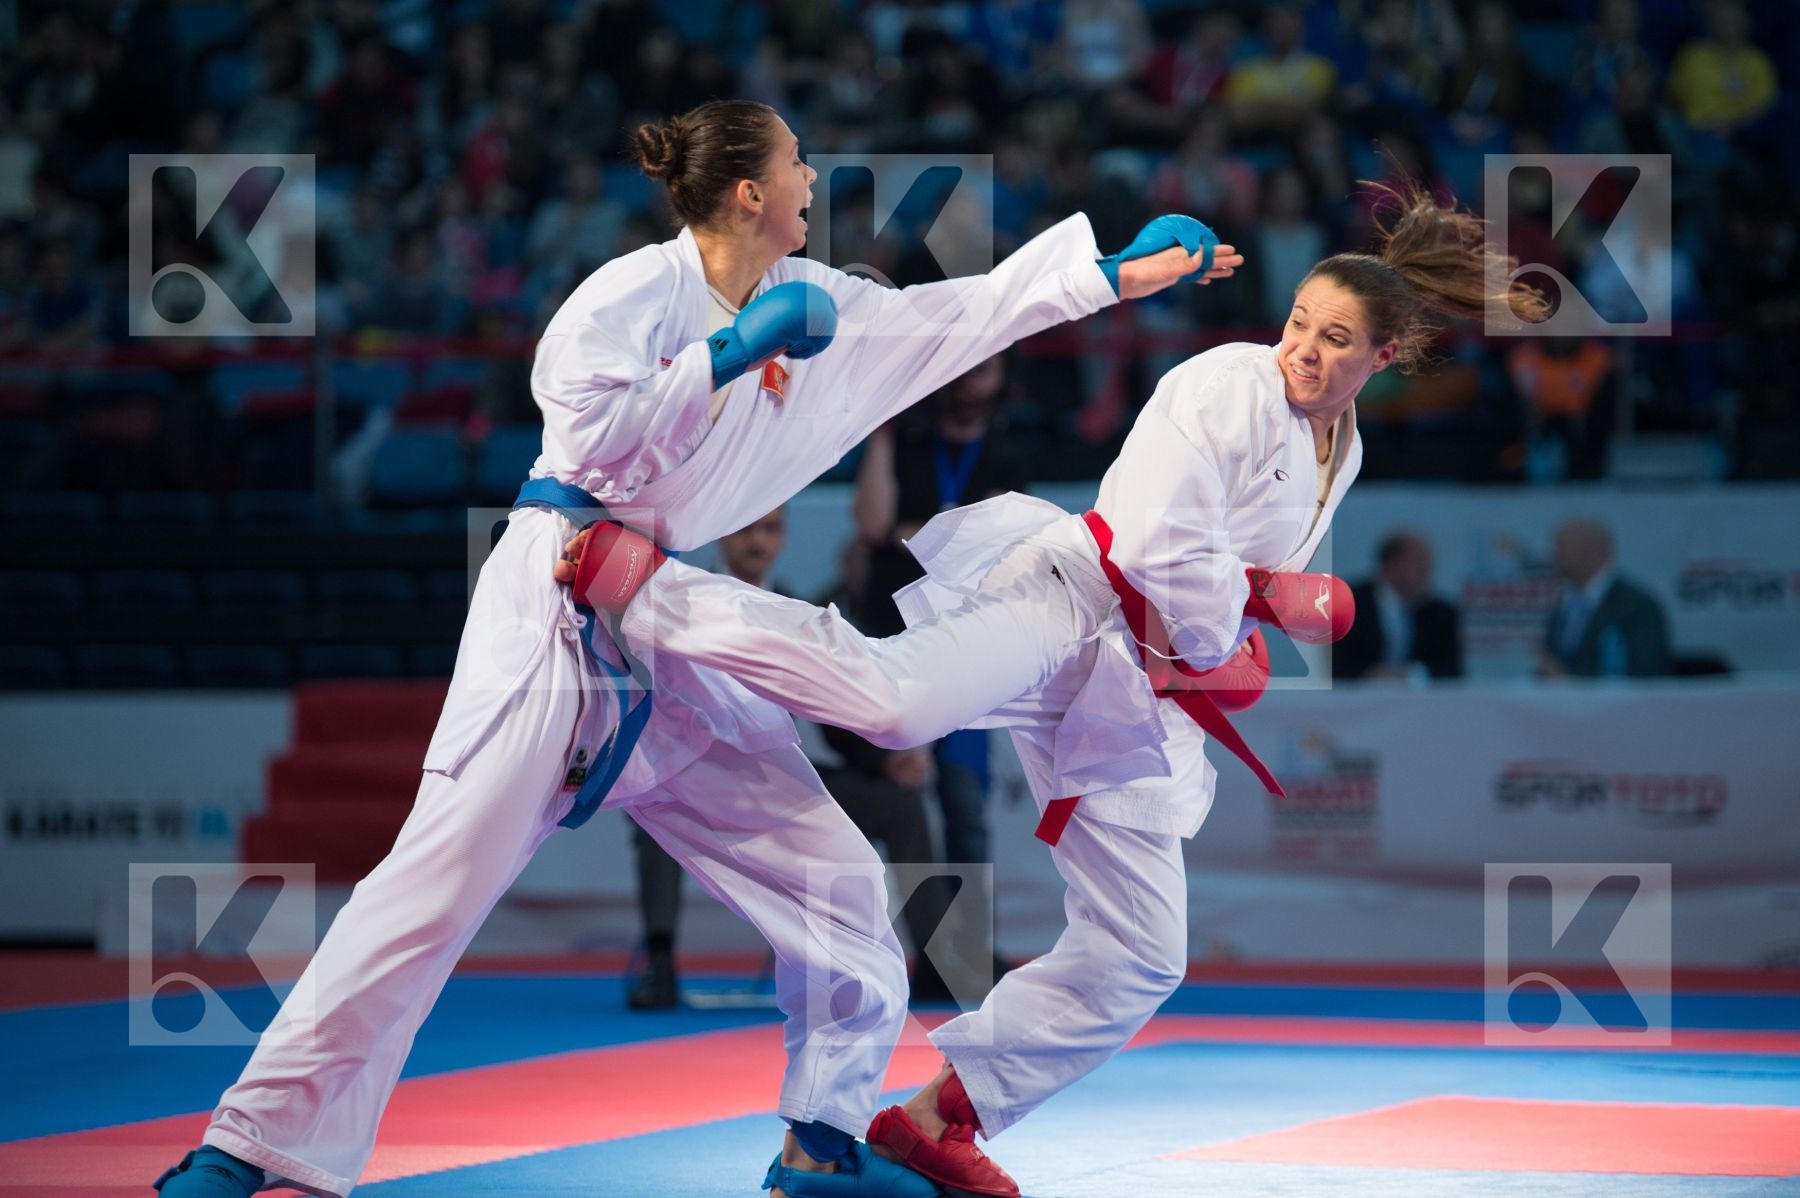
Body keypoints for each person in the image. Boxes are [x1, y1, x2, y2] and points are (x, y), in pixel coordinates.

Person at [152, 98, 1237, 1198]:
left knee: (839, 885)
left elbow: (956, 316)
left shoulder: (816, 301)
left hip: (665, 609)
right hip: (560, 591)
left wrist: (1110, 276)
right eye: (798, 162)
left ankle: (820, 1143)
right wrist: (721, 357)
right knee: (429, 891)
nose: (814, 178)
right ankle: (244, 1147)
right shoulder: (631, 293)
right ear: (750, 191)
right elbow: (585, 435)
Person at [558, 180, 1548, 1197]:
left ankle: (938, 1119)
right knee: (897, 703)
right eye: (1299, 321)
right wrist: (1257, 603)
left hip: (1138, 686)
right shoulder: (1229, 385)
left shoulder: (1345, 449)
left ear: (1384, 358)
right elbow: (1161, 548)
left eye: (1335, 340)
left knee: (1143, 951)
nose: (1302, 349)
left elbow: (1223, 599)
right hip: (1075, 601)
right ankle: (652, 590)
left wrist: (1233, 645)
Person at [625, 507, 792, 1011]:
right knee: (656, 803)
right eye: (746, 528)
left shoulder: (797, 608)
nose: (757, 541)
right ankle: (659, 960)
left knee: (893, 799)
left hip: (778, 773)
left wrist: (887, 758)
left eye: (769, 529)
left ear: (784, 536)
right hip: (698, 763)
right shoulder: (683, 601)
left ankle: (918, 962)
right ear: (721, 535)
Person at [1539, 518, 1672, 678]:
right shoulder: (1565, 605)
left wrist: (1569, 679)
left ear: (1594, 550)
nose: (1553, 555)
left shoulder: (1637, 606)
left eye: (1562, 547)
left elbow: (1641, 671)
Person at [1333, 529, 1463, 680]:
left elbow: (1451, 669)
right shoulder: (1349, 604)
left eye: (1428, 562)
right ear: (1389, 565)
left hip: (1422, 693)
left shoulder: (1442, 613)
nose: (1426, 569)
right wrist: (1371, 675)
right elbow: (1337, 664)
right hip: (1356, 692)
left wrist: (1415, 674)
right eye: (1418, 561)